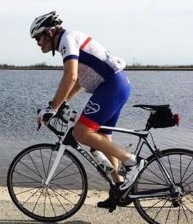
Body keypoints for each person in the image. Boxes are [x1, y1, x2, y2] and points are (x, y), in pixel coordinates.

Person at [31, 11, 146, 208]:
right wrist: (63, 103)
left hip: (111, 86)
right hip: (115, 85)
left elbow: (71, 76)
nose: (37, 43)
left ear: (49, 32)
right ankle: (119, 189)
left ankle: (132, 161)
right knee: (102, 139)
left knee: (81, 133)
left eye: (38, 37)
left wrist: (52, 107)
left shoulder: (67, 39)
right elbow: (80, 81)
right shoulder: (69, 41)